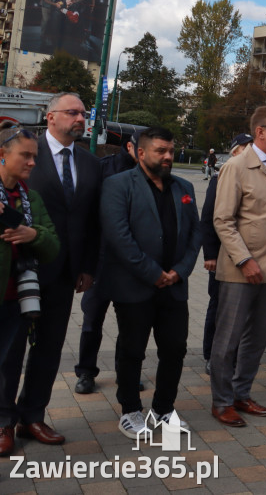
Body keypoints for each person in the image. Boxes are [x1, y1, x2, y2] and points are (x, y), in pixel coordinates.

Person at [1, 93, 101, 449]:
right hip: (20, 273)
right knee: (10, 351)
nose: (80, 118)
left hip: (65, 274)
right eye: (72, 112)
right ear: (51, 117)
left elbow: (92, 221)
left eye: (83, 113)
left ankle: (33, 416)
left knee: (49, 349)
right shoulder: (26, 152)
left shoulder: (90, 163)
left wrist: (88, 266)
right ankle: (4, 422)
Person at [100, 127, 201, 439]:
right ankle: (130, 410)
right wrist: (153, 272)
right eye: (160, 151)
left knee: (175, 348)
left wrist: (180, 271)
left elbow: (195, 234)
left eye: (171, 150)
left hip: (174, 286)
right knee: (132, 350)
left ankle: (163, 410)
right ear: (140, 153)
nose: (168, 156)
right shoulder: (118, 185)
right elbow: (119, 237)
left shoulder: (184, 187)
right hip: (135, 286)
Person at [210, 106, 266, 427]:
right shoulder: (237, 166)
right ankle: (221, 401)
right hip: (241, 270)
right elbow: (223, 220)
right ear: (260, 132)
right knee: (228, 340)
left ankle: (241, 393)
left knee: (257, 338)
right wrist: (244, 260)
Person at [0, 125, 60, 457]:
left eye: (35, 156)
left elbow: (52, 245)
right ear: (2, 154)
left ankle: (6, 423)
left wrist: (30, 235)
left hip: (15, 299)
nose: (33, 163)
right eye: (26, 155)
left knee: (10, 364)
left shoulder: (30, 197)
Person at [74, 132, 140, 395]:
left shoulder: (152, 175)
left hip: (133, 263)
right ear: (130, 147)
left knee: (131, 323)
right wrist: (85, 263)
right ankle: (86, 372)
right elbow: (87, 216)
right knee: (92, 321)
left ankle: (125, 375)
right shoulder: (105, 168)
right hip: (100, 261)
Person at [199, 133, 252, 374]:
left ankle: (235, 354)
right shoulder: (221, 178)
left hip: (249, 256)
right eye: (247, 148)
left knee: (244, 309)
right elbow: (209, 218)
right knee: (219, 305)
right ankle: (211, 354)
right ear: (235, 152)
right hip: (222, 256)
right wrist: (210, 254)